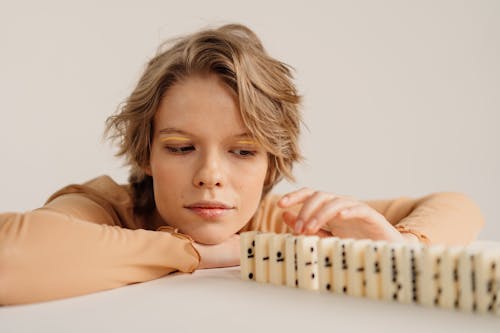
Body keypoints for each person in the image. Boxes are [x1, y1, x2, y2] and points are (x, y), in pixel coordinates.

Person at [0, 23, 484, 306]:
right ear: (146, 153)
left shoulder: (281, 219)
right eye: (181, 147)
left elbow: (456, 206)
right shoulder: (104, 205)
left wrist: (399, 246)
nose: (211, 175)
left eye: (243, 151)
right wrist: (200, 254)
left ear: (273, 160)